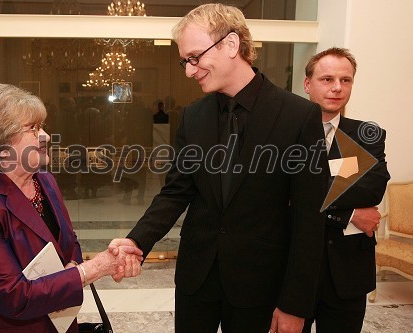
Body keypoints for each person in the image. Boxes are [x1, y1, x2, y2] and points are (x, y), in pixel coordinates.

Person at [109, 4, 328, 333]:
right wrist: (136, 242)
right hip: (197, 282)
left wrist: (296, 304)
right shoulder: (194, 116)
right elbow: (175, 192)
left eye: (194, 57)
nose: (189, 70)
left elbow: (310, 220)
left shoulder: (298, 117)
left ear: (230, 45)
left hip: (261, 287)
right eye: (185, 61)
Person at [0, 84, 142, 333]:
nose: (46, 136)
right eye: (33, 128)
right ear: (0, 140)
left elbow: (69, 241)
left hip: (57, 322)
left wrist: (75, 270)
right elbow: (14, 296)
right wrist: (94, 268)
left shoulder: (44, 179)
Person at [302, 47, 390, 333]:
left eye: (346, 80)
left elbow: (371, 188)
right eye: (327, 79)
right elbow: (283, 196)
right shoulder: (285, 135)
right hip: (295, 270)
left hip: (349, 271)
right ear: (308, 84)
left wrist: (313, 186)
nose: (337, 88)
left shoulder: (368, 135)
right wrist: (349, 214)